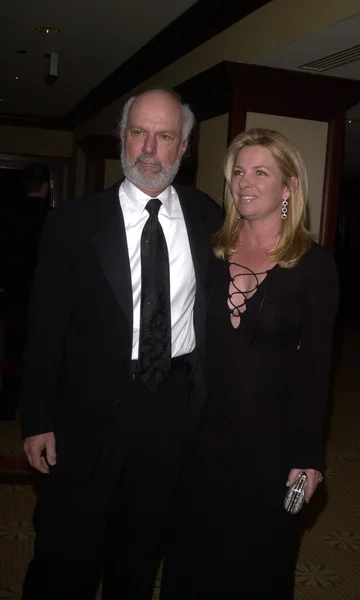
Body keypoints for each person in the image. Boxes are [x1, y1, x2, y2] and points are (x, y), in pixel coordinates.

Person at [19, 89, 221, 600]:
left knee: (140, 547)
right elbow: (44, 329)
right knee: (66, 551)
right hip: (87, 409)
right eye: (139, 133)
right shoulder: (73, 223)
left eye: (165, 136)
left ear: (185, 147)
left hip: (171, 408)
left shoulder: (208, 219)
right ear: (122, 138)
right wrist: (38, 417)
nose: (149, 148)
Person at [160, 128, 339, 599]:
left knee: (259, 566)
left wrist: (308, 455)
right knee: (193, 561)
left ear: (289, 186)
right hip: (202, 439)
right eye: (238, 171)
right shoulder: (211, 252)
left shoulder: (315, 265)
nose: (245, 182)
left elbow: (316, 369)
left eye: (261, 172)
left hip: (271, 446)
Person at [0, 163, 51, 421]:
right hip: (46, 297)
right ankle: (37, 408)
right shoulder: (55, 218)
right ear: (46, 186)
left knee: (13, 350)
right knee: (42, 352)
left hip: (16, 293)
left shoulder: (9, 216)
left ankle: (8, 404)